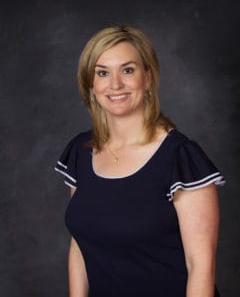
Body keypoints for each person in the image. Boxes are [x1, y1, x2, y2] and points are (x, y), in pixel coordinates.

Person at [55, 25, 225, 297]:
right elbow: (81, 243)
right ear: (91, 85)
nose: (115, 84)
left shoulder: (180, 158)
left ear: (148, 78)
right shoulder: (81, 152)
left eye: (128, 70)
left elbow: (200, 267)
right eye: (102, 73)